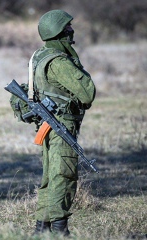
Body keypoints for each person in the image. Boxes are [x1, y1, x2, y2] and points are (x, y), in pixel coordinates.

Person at [31, 9, 96, 236]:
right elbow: (87, 93)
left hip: (49, 124)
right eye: (67, 27)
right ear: (59, 32)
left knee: (50, 177)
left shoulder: (39, 56)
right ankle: (59, 231)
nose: (72, 30)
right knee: (64, 176)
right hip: (61, 126)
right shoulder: (59, 62)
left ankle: (42, 229)